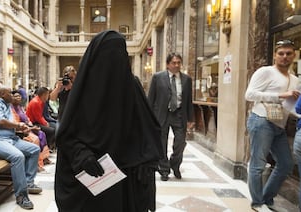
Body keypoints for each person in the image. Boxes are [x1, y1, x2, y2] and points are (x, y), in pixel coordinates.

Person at [55, 30, 163, 212]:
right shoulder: (83, 91)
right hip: (91, 181)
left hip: (126, 178)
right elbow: (66, 134)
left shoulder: (132, 86)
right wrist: (81, 155)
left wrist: (146, 162)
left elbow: (149, 129)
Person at [245, 39, 299, 212]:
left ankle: (267, 197)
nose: (284, 57)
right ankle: (257, 203)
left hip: (279, 126)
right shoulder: (265, 72)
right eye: (281, 53)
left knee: (285, 164)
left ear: (294, 55)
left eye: (288, 53)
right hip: (261, 121)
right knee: (258, 164)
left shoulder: (295, 79)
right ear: (275, 55)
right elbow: (250, 94)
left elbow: (288, 105)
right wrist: (280, 95)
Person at [0, 86, 42, 210]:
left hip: (9, 140)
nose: (13, 95)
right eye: (10, 93)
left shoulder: (7, 104)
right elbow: (0, 122)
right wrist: (18, 125)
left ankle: (29, 183)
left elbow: (11, 124)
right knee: (17, 156)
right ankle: (21, 196)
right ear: (3, 94)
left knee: (34, 149)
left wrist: (24, 128)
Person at [148, 52, 194, 181]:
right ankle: (164, 169)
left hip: (179, 114)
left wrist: (191, 119)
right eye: (174, 62)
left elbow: (188, 100)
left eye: (179, 62)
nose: (176, 65)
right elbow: (151, 98)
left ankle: (175, 164)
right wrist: (148, 117)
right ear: (168, 64)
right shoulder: (158, 77)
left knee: (180, 142)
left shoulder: (186, 79)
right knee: (161, 143)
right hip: (162, 114)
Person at [11, 90, 51, 172]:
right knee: (35, 139)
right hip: (21, 131)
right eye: (15, 96)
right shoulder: (11, 109)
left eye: (19, 96)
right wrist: (30, 128)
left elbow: (26, 118)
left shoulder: (20, 107)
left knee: (42, 134)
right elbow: (15, 123)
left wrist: (30, 124)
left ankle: (44, 158)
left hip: (28, 126)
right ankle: (36, 164)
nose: (18, 98)